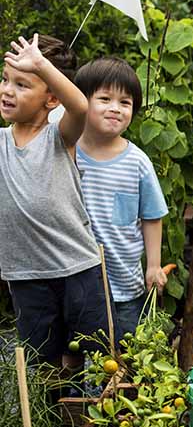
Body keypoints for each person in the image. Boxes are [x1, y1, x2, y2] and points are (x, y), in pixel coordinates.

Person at [0, 34, 111, 371]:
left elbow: (79, 105)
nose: (6, 90)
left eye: (21, 84)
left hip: (75, 266)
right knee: (43, 358)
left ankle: (80, 409)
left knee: (85, 351)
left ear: (50, 99)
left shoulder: (58, 136)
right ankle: (56, 418)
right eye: (5, 80)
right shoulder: (2, 142)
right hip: (26, 273)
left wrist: (42, 66)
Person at [74, 57, 168, 337]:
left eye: (125, 102)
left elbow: (151, 216)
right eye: (104, 98)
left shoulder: (137, 162)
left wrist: (153, 265)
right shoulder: (68, 154)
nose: (115, 108)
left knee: (125, 347)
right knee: (75, 347)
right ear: (81, 102)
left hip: (124, 281)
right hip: (76, 280)